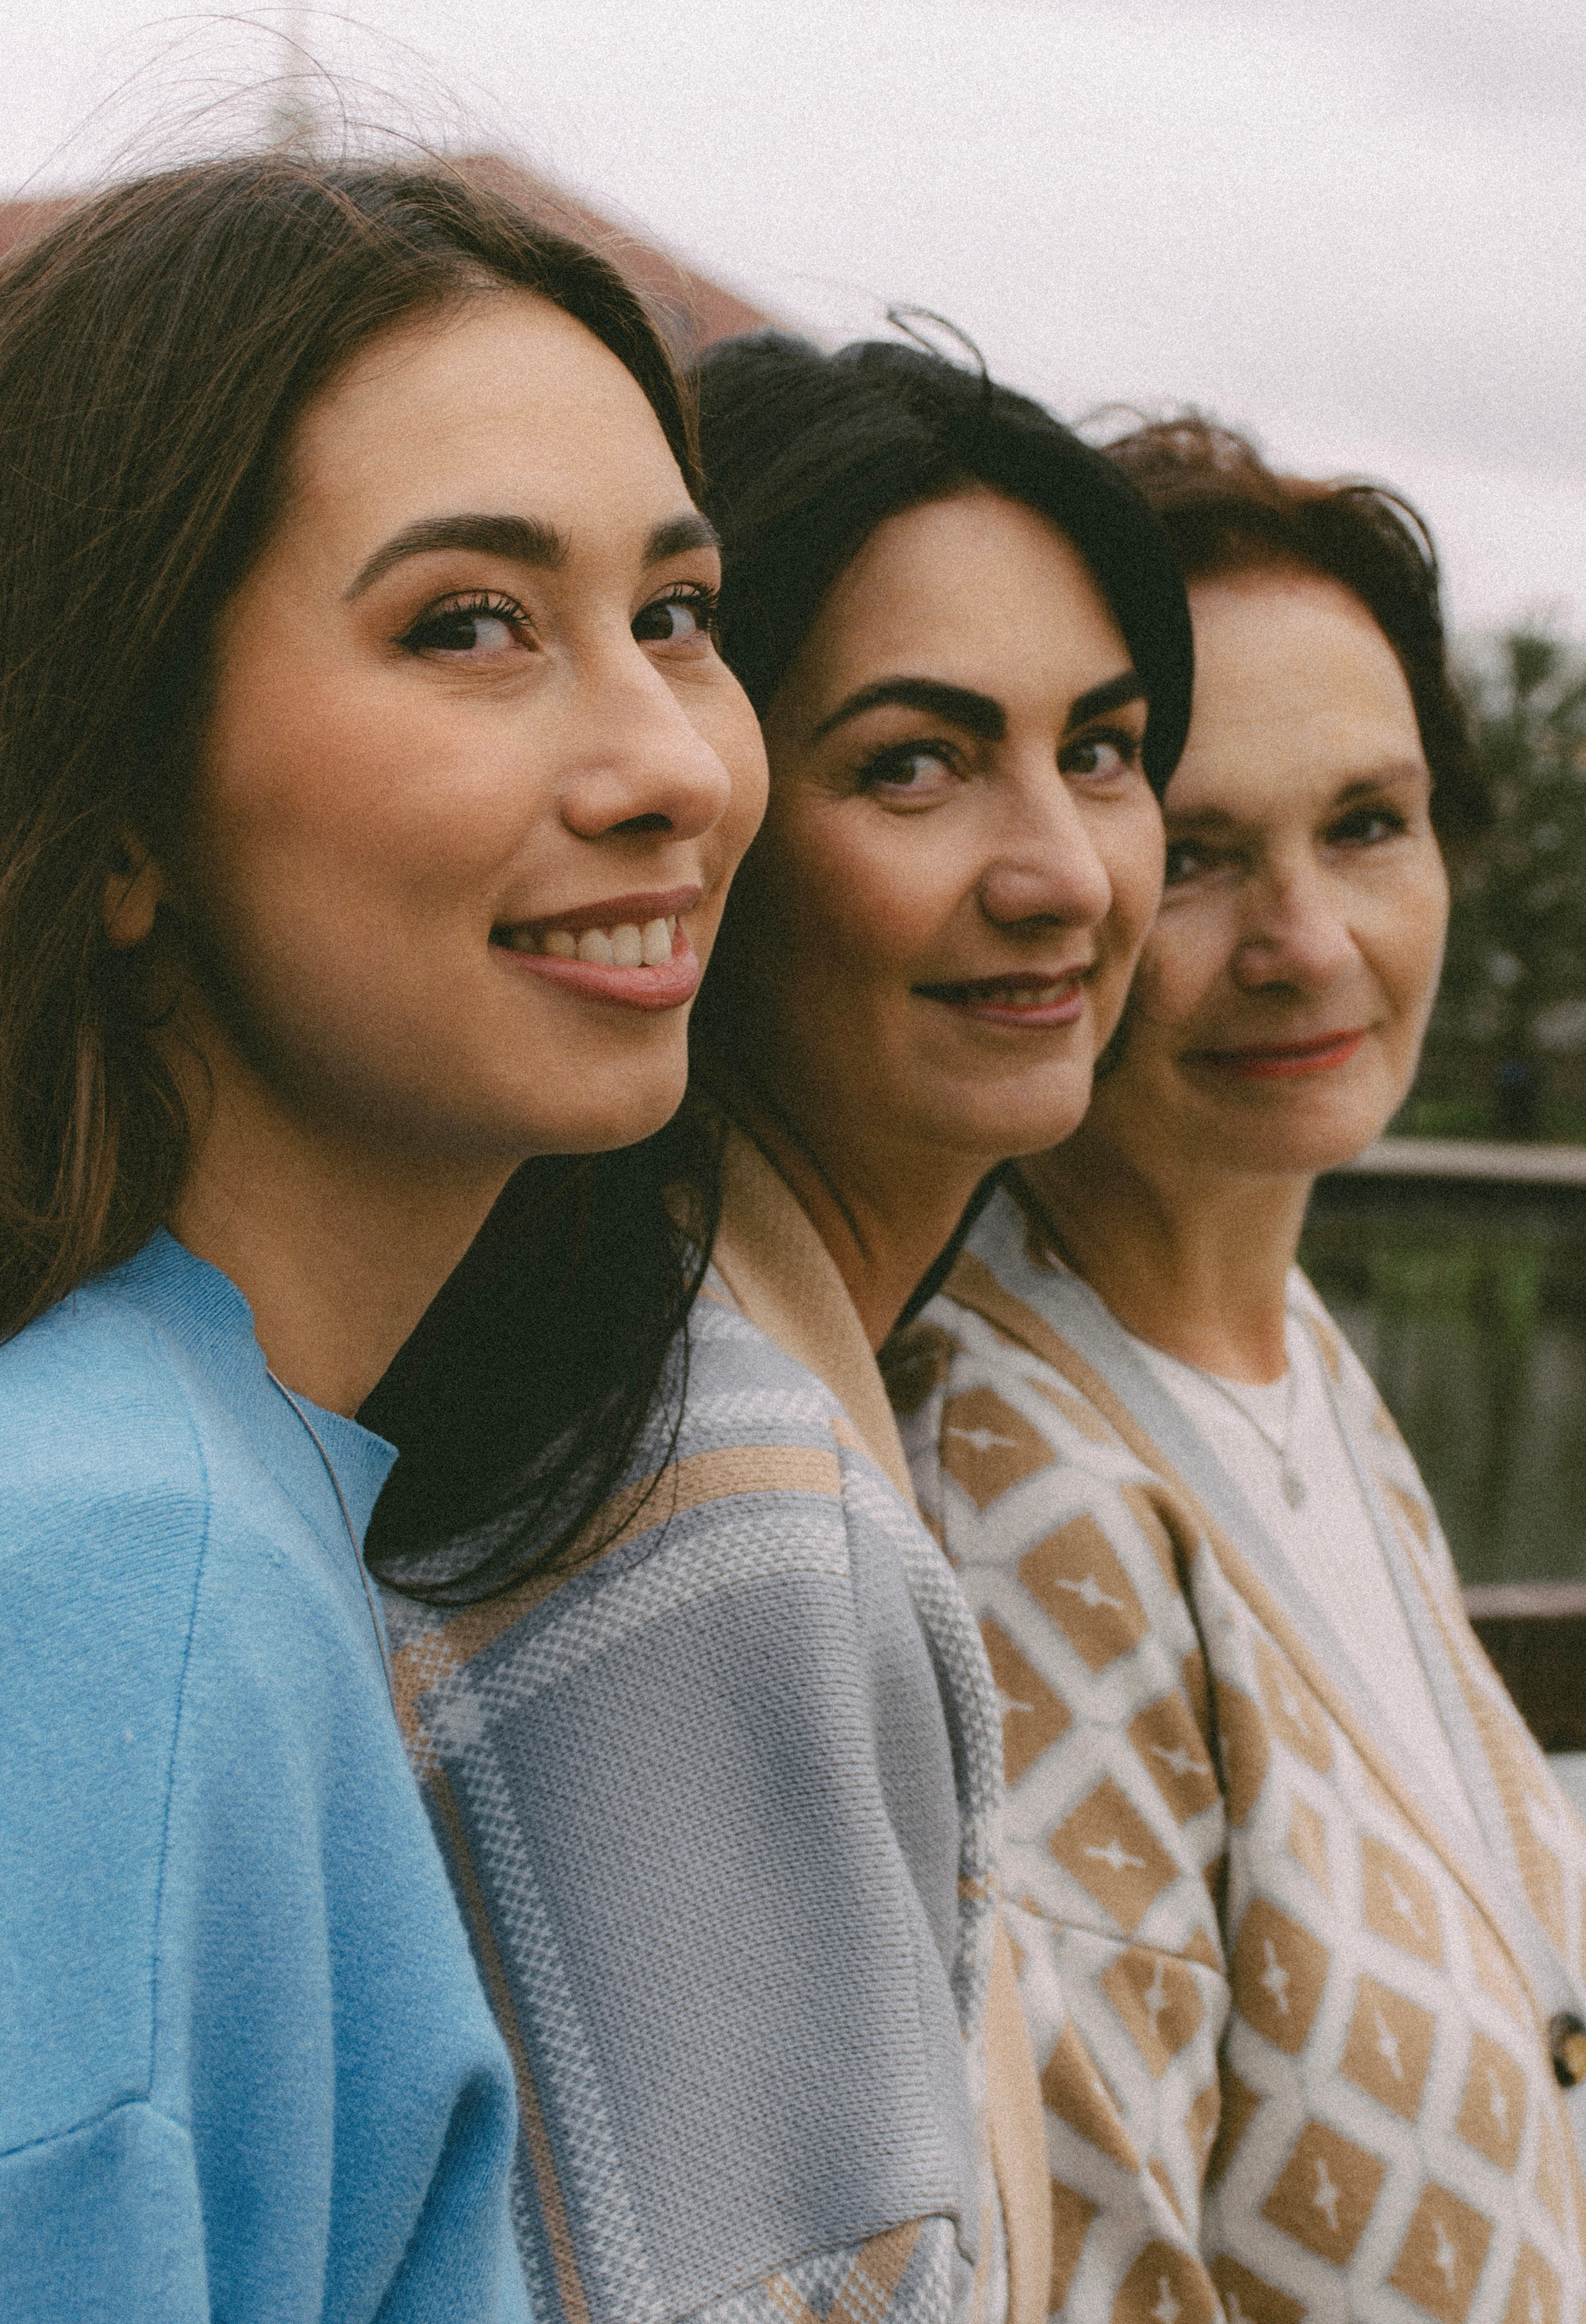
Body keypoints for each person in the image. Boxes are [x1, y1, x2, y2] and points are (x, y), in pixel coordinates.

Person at [364, 328, 1194, 2324]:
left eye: (1103, 748)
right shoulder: (698, 1493)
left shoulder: (758, 1358)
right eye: (911, 762)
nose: (1061, 870)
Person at [0, 154, 763, 2321]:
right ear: (124, 800)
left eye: (680, 616)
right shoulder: (121, 1576)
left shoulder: (195, 1480)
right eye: (472, 621)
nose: (670, 764)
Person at [887, 416, 1586, 2317]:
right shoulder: (1018, 1496)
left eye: (1368, 823)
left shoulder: (1293, 1360)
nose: (1306, 944)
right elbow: (1090, 2263)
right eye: (1198, 855)